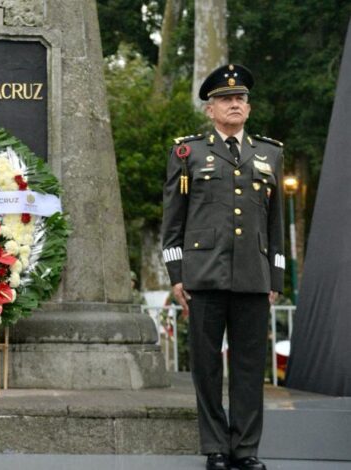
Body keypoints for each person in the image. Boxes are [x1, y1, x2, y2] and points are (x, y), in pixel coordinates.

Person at [161, 64, 284, 470]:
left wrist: (276, 277)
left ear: (248, 108)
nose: (235, 104)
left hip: (253, 275)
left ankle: (245, 450)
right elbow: (173, 223)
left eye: (241, 98)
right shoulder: (188, 153)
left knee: (250, 368)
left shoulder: (269, 154)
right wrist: (177, 277)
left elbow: (275, 223)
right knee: (207, 366)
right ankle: (215, 447)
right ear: (210, 109)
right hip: (204, 276)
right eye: (226, 99)